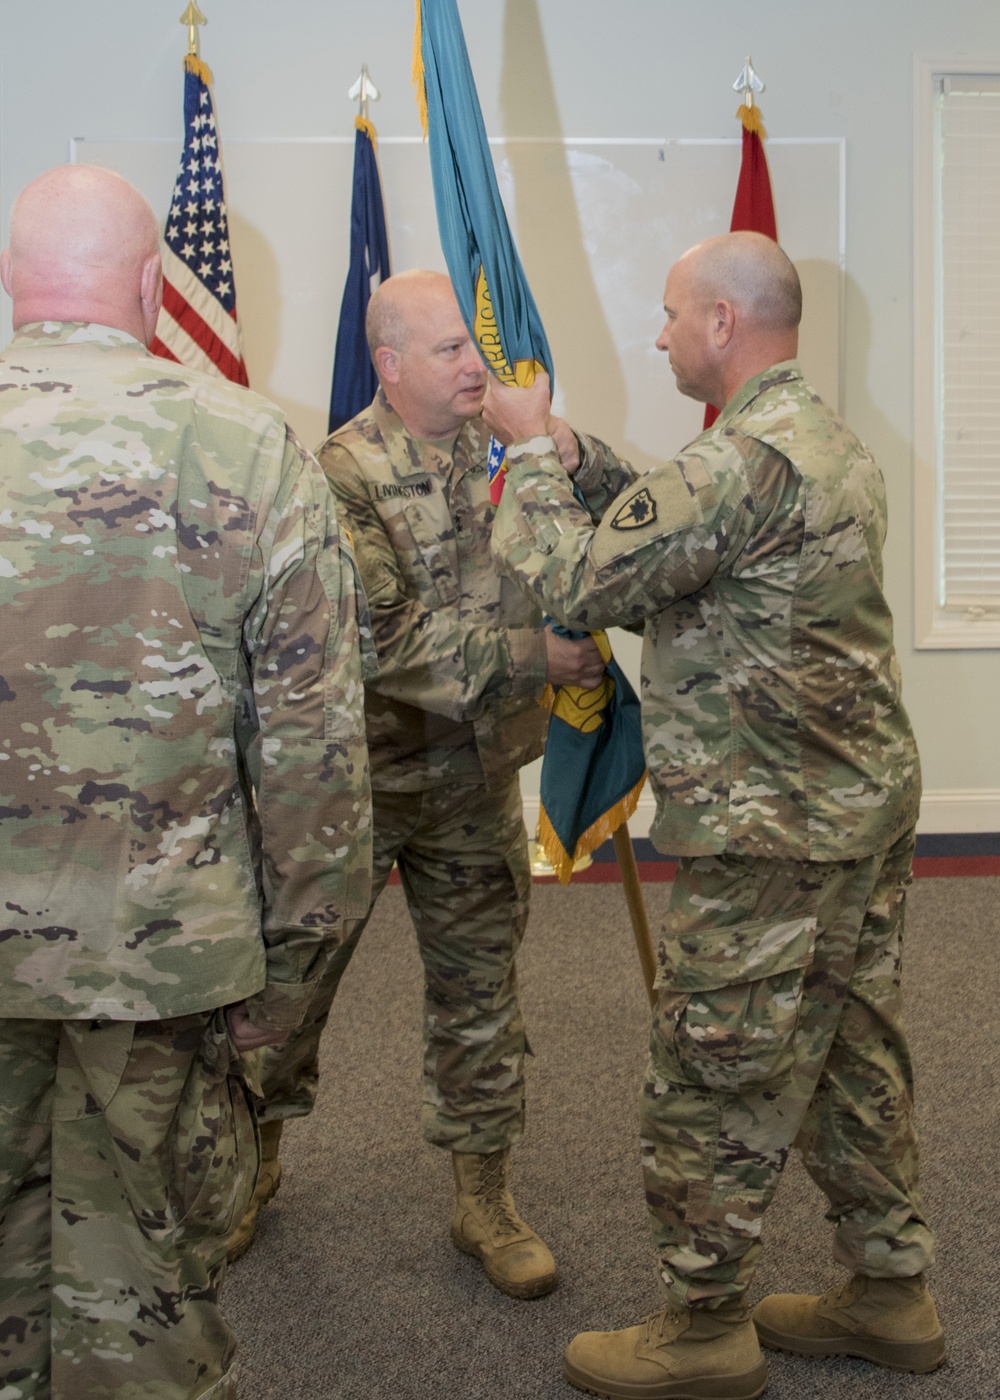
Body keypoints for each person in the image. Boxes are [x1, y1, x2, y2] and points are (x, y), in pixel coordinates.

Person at [483, 231, 944, 1399]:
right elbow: (679, 532)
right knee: (849, 1051)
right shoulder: (816, 441)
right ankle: (890, 1291)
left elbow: (581, 577)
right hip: (854, 809)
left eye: (673, 312)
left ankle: (701, 1326)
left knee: (710, 1070)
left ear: (725, 325)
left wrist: (533, 454)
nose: (660, 331)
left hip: (769, 830)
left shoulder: (735, 467)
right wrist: (588, 454)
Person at [0, 165, 371, 1400]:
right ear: (157, 286)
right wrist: (292, 973)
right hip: (164, 957)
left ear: (12, 282)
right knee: (144, 1291)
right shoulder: (244, 443)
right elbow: (315, 760)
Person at [235, 269, 604, 1299]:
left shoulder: (510, 449)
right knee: (291, 987)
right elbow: (381, 638)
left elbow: (603, 527)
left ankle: (482, 1195)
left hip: (475, 775)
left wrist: (559, 453)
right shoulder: (340, 472)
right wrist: (538, 655)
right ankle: (251, 1164)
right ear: (389, 363)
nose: (475, 366)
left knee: (482, 991)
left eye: (474, 347)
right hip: (356, 780)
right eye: (450, 349)